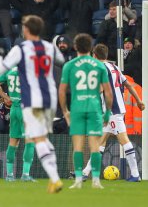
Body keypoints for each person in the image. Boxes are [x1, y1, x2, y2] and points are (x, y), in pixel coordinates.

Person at [0, 15, 64, 193]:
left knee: (15, 141)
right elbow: (61, 61)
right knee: (36, 139)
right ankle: (33, 175)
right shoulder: (49, 47)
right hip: (46, 98)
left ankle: (11, 175)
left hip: (23, 103)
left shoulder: (21, 49)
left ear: (26, 30)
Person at [81, 44, 145, 182]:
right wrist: (139, 101)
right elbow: (127, 84)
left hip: (111, 112)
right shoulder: (114, 67)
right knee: (100, 142)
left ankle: (135, 174)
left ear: (94, 56)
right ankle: (85, 173)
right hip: (117, 110)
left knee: (124, 140)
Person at [58, 34, 113, 190]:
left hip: (77, 109)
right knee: (95, 146)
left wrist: (65, 111)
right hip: (94, 109)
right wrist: (107, 112)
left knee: (78, 146)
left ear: (75, 47)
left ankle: (77, 180)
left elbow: (62, 91)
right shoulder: (99, 65)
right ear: (91, 48)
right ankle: (95, 180)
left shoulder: (69, 65)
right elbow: (108, 93)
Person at [0, 66, 35, 182]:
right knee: (29, 141)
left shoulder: (9, 71)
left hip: (14, 109)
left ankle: (10, 175)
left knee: (13, 141)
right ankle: (25, 174)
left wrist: (6, 97)